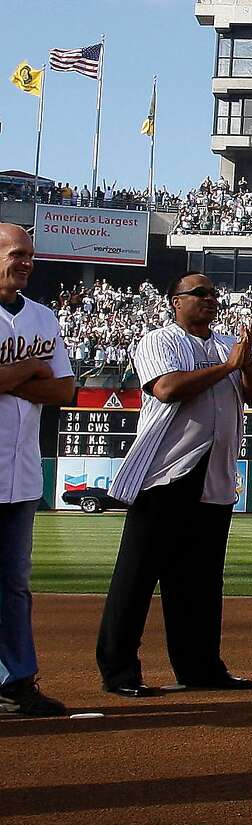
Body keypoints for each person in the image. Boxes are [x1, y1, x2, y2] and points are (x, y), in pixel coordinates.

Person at [96, 272, 252, 698]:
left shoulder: (229, 342)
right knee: (136, 577)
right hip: (165, 473)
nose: (210, 299)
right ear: (175, 301)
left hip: (215, 475)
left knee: (201, 582)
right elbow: (167, 388)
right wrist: (228, 364)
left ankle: (201, 667)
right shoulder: (159, 340)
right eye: (199, 293)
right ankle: (119, 672)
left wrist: (245, 362)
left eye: (213, 293)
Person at [0, 224, 75, 716]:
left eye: (30, 254)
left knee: (13, 582)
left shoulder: (43, 317)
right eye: (17, 253)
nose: (27, 261)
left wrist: (12, 378)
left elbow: (65, 390)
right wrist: (32, 371)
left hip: (21, 472)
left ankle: (16, 680)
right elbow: (43, 379)